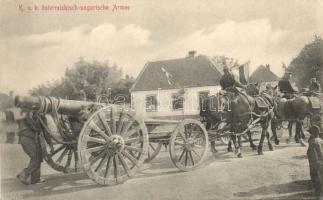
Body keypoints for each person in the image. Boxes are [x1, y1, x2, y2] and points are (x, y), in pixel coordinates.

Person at [16, 111, 44, 185]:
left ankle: (35, 179)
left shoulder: (28, 115)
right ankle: (24, 174)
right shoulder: (27, 116)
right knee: (36, 157)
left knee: (38, 156)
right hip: (27, 138)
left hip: (29, 138)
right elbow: (35, 127)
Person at [307, 125, 323, 199]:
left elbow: (312, 153)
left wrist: (315, 164)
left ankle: (318, 196)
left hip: (315, 163)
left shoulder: (312, 141)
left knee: (316, 179)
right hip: (321, 162)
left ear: (312, 134)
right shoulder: (321, 140)